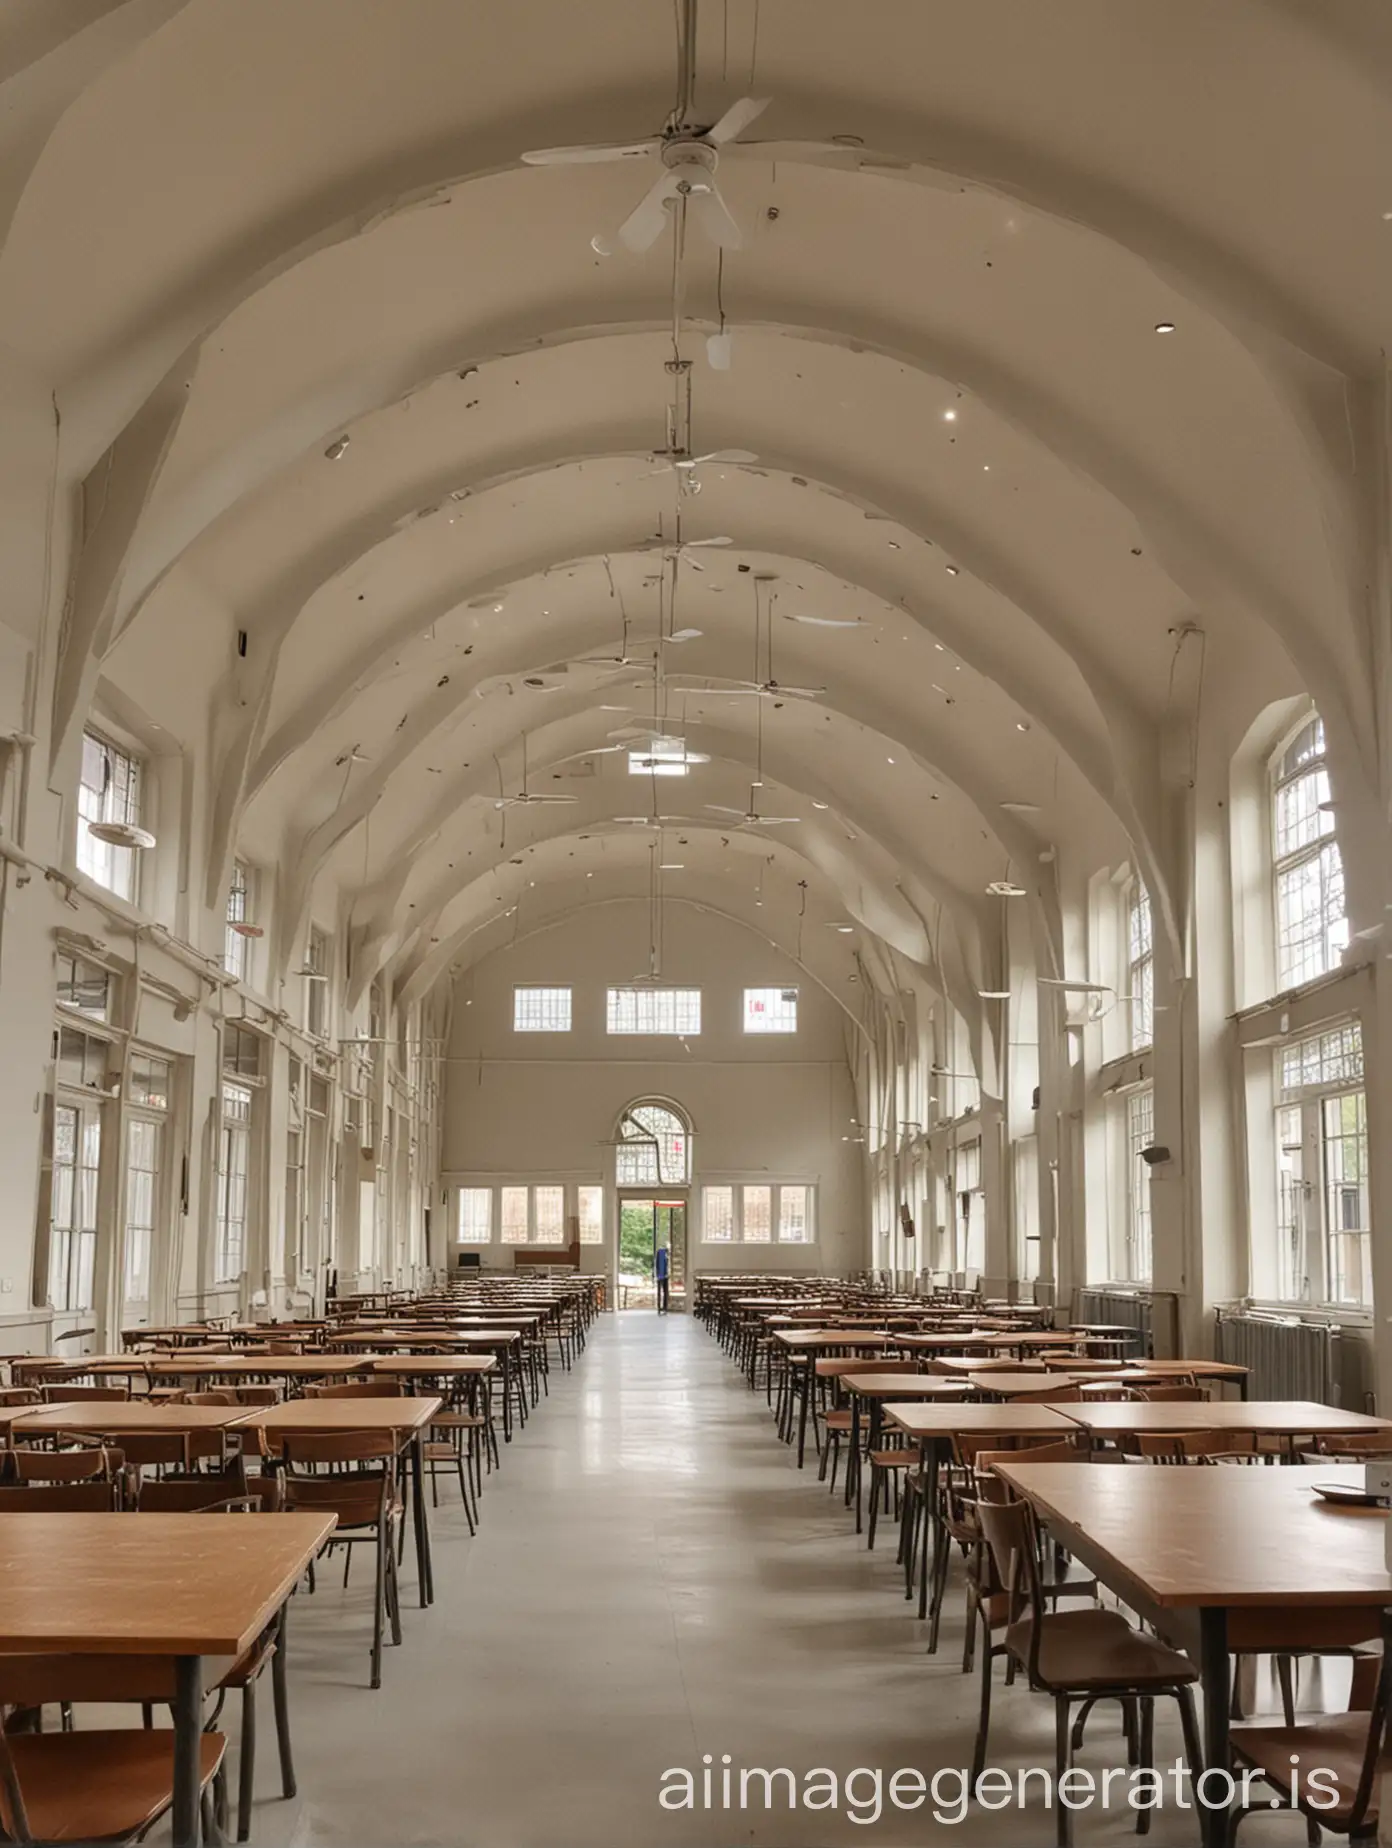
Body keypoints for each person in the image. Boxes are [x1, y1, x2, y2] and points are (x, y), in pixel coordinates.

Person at [655, 1239, 670, 1314]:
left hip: (666, 1276)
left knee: (666, 1292)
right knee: (660, 1292)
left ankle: (665, 1307)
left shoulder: (668, 1254)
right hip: (661, 1275)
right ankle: (659, 1307)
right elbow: (657, 1264)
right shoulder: (660, 1252)